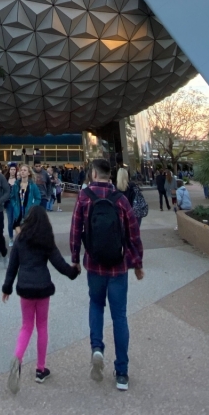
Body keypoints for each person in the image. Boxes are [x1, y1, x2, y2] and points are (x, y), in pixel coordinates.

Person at [69, 157, 144, 391]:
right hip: (118, 266)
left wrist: (75, 259)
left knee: (95, 305)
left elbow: (75, 229)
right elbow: (133, 234)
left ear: (92, 174)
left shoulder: (84, 197)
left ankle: (97, 348)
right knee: (119, 316)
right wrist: (137, 263)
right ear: (110, 176)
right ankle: (121, 372)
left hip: (94, 264)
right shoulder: (121, 199)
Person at [2, 204, 79, 391]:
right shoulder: (46, 240)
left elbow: (12, 266)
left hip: (25, 288)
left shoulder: (21, 239)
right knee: (42, 326)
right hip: (43, 286)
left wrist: (7, 288)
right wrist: (73, 272)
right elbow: (59, 264)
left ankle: (17, 357)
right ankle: (40, 369)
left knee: (26, 326)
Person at [9, 163, 42, 235]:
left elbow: (38, 198)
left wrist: (32, 207)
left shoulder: (32, 185)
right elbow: (12, 197)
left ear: (29, 173)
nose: (22, 172)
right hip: (18, 213)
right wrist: (14, 206)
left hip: (28, 214)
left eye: (25, 170)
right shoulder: (16, 184)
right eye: (21, 170)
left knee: (27, 236)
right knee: (19, 237)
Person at [5, 163, 18, 244]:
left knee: (17, 220)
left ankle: (18, 237)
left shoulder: (18, 179)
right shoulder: (5, 179)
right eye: (11, 169)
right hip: (9, 203)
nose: (13, 171)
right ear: (9, 170)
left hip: (17, 203)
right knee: (10, 221)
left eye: (14, 170)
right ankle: (10, 238)